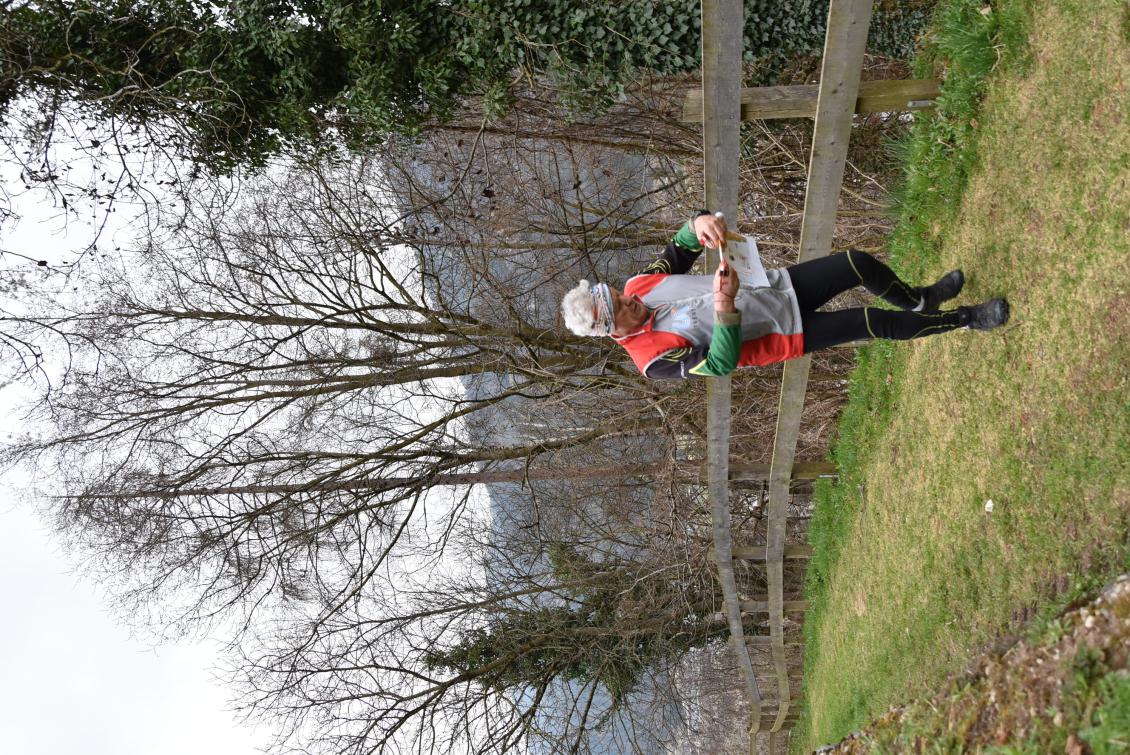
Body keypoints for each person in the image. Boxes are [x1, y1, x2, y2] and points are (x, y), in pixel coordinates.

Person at [561, 210, 1009, 379]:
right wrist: (724, 307)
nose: (630, 300)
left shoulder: (639, 285)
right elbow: (718, 364)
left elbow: (679, 247)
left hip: (778, 286)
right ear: (611, 330)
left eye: (619, 294)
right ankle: (966, 318)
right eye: (622, 308)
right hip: (785, 332)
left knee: (855, 262)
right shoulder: (652, 362)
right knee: (873, 322)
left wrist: (699, 223)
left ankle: (921, 301)